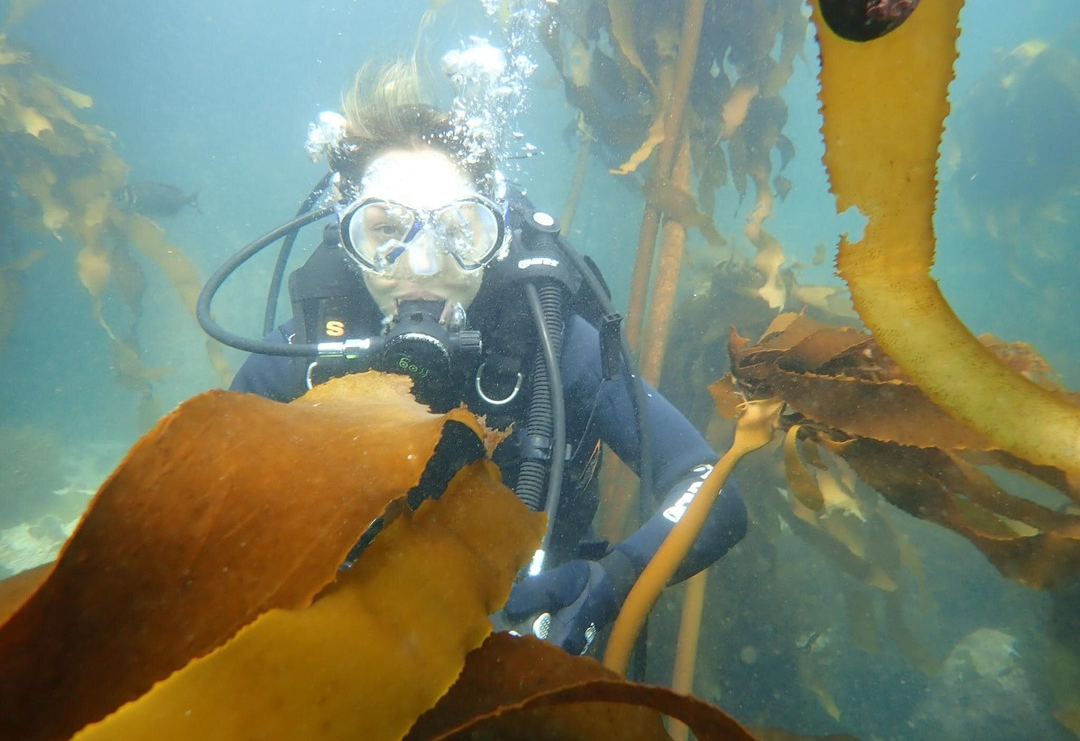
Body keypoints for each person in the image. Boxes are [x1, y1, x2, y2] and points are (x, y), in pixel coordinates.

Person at [224, 64, 747, 655]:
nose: (422, 266)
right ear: (345, 240)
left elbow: (713, 489)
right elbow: (200, 527)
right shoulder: (299, 360)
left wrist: (616, 579)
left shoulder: (554, 347)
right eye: (385, 232)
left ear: (494, 237)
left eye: (457, 231)